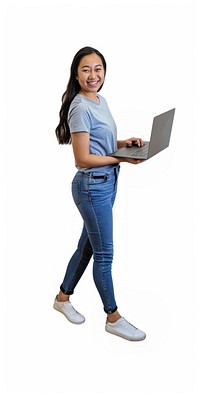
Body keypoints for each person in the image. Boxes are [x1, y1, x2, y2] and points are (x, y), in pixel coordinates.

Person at [54, 46, 146, 341]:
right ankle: (113, 317)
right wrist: (122, 158)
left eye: (98, 69)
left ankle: (62, 299)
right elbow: (82, 159)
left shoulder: (99, 100)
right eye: (86, 70)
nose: (93, 75)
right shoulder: (80, 106)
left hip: (106, 183)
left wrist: (124, 143)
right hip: (92, 186)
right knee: (104, 254)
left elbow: (100, 143)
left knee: (87, 247)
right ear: (76, 74)